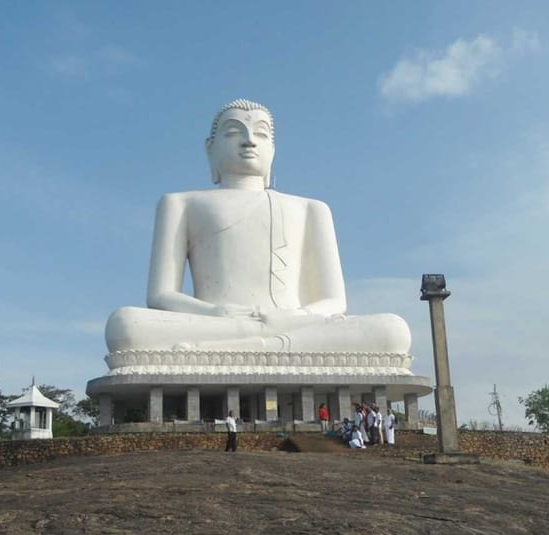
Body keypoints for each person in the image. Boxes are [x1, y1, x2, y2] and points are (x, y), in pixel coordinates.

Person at [104, 99, 411, 355]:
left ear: (273, 150)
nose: (249, 140)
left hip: (292, 322)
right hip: (219, 322)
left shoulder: (310, 208)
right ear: (209, 149)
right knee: (125, 325)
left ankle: (241, 347)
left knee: (393, 330)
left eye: (261, 134)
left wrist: (296, 316)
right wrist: (214, 313)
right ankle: (263, 344)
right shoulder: (180, 203)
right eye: (234, 132)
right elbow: (160, 295)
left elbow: (335, 302)